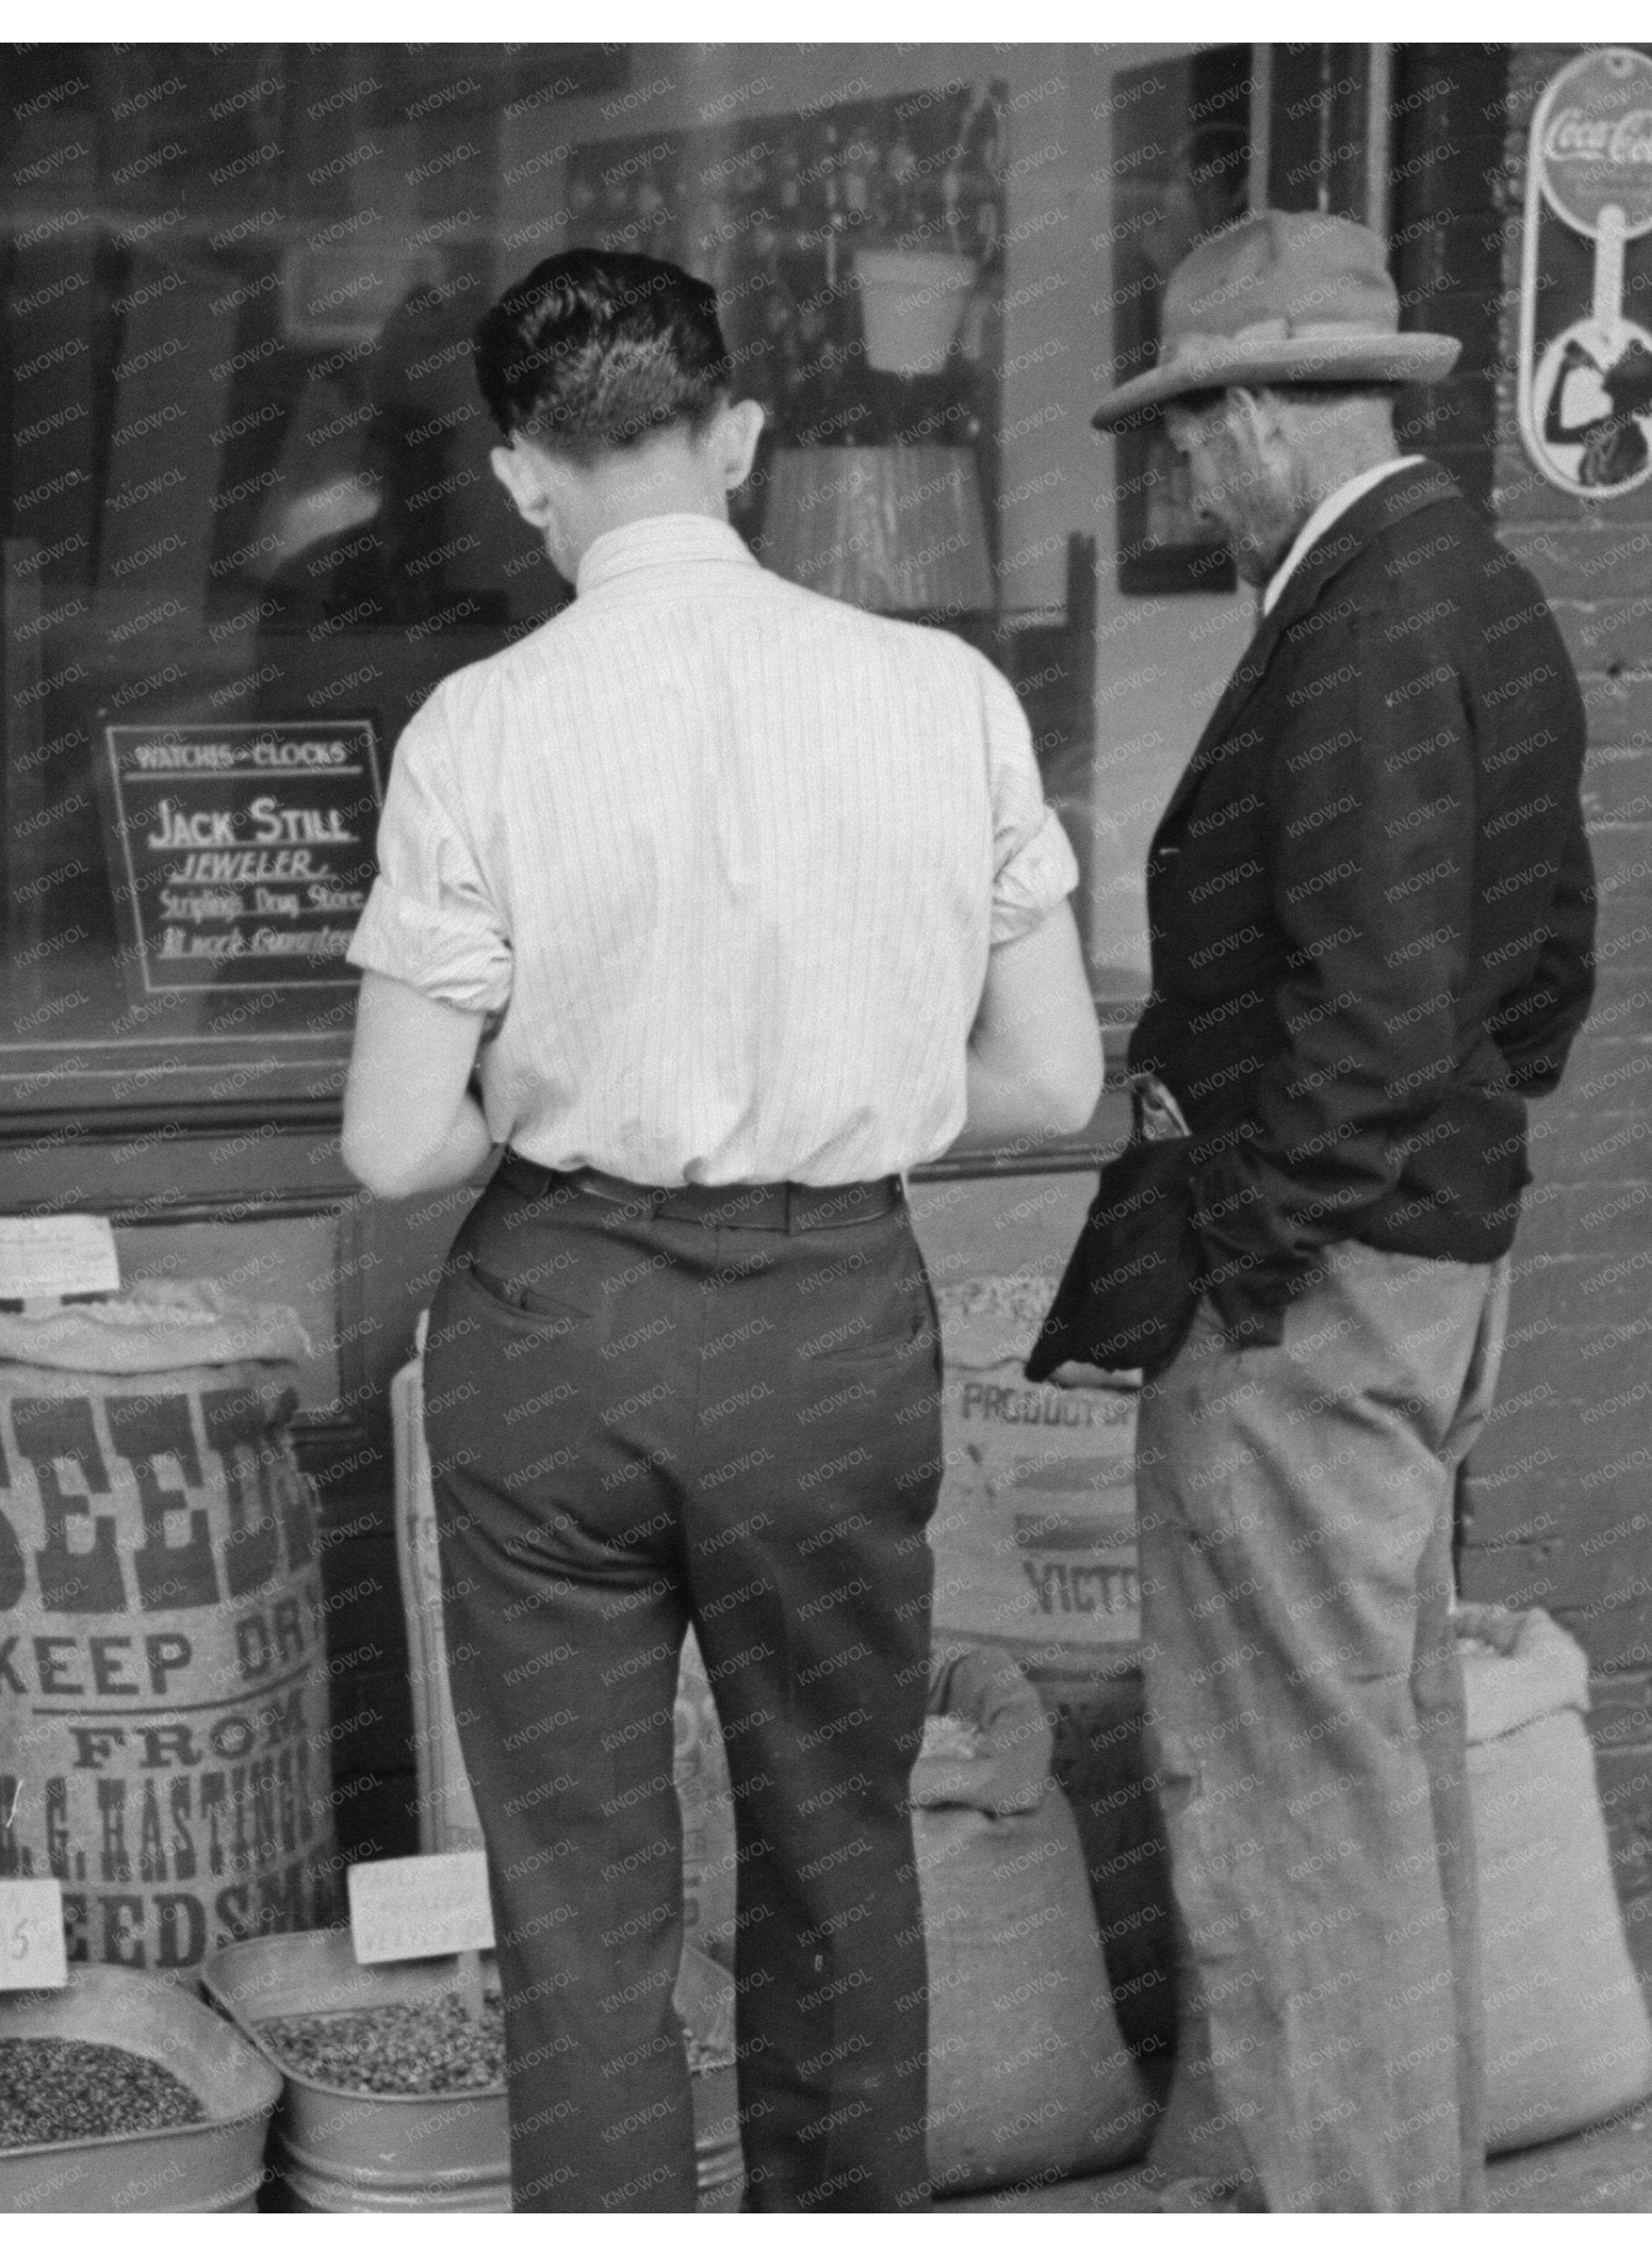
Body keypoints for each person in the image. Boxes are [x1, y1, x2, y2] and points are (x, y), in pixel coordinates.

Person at [340, 246, 1102, 2212]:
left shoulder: (476, 728)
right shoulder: (944, 697)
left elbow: (394, 1144)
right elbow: (1049, 1083)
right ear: (739, 437)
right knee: (839, 1840)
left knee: (581, 1895)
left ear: (522, 474)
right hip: (827, 1320)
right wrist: (843, 1079)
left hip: (561, 1323)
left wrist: (562, 1085)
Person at [1045, 208, 1600, 2212]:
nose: (1183, 475)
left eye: (1192, 432)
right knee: (1368, 1758)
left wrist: (1258, 1268)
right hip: (1420, 1253)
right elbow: (1544, 978)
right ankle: (1342, 2175)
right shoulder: (1475, 592)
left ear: (1266, 412)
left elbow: (1372, 1015)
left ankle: (1356, 2208)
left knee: (1294, 1783)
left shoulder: (1360, 621)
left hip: (1315, 1279)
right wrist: (1441, 1204)